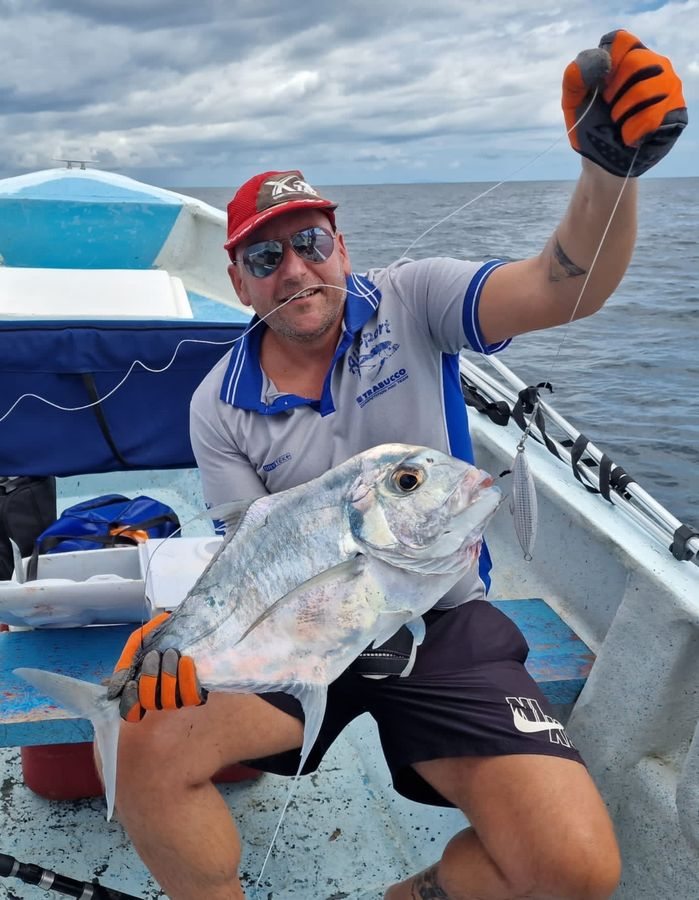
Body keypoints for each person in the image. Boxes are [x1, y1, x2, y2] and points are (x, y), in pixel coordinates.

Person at [109, 30, 686, 900]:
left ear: (341, 246)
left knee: (574, 870)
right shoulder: (216, 406)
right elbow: (250, 552)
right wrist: (178, 632)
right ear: (238, 282)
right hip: (299, 633)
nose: (294, 269)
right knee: (142, 743)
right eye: (265, 257)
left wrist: (609, 170)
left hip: (438, 619)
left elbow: (562, 286)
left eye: (310, 242)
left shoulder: (412, 299)